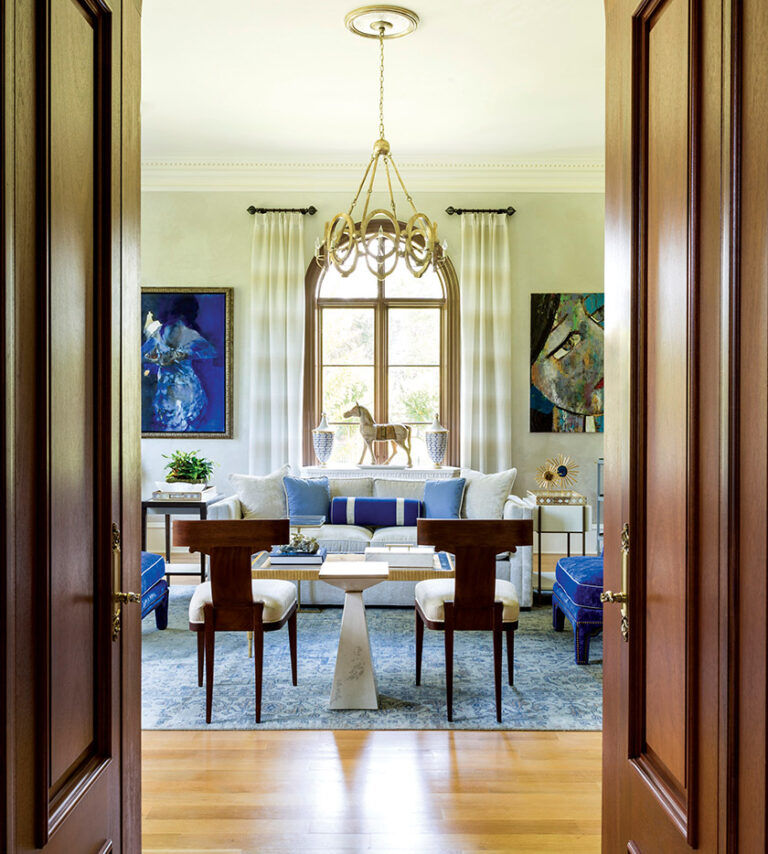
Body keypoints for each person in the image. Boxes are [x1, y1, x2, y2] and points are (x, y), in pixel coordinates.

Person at [142, 295, 216, 431]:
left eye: (179, 316)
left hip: (185, 389)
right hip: (165, 389)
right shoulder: (159, 333)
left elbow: (211, 351)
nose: (176, 320)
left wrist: (184, 354)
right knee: (169, 426)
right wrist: (155, 358)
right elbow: (142, 354)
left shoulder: (190, 334)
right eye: (173, 315)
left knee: (181, 426)